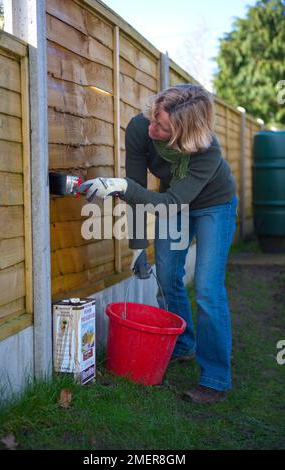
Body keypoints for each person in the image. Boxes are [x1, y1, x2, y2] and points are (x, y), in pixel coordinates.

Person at [78, 84, 238, 404]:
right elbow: (136, 188)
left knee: (207, 287)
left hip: (213, 206)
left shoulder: (208, 151)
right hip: (172, 201)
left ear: (184, 133)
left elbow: (167, 201)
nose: (152, 127)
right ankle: (183, 345)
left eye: (161, 126)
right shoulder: (140, 128)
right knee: (166, 277)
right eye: (153, 117)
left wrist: (121, 186)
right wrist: (138, 245)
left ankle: (216, 378)